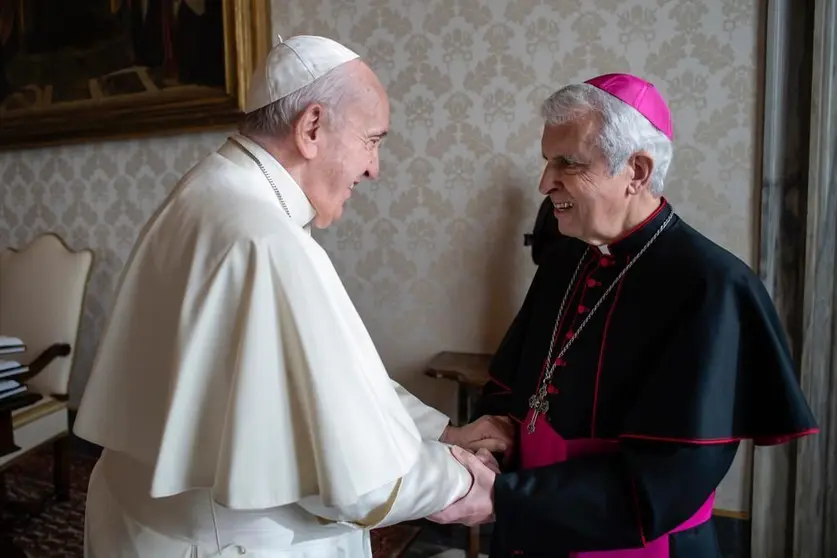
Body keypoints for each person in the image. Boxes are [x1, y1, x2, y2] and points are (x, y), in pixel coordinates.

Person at [73, 35, 505, 558]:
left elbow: (330, 382)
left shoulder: (212, 192)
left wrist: (443, 433)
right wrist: (459, 484)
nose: (374, 168)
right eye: (372, 140)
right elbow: (356, 480)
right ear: (312, 127)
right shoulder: (264, 239)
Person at [428, 73, 819, 557]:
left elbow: (667, 481)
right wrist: (502, 428)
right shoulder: (566, 259)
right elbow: (520, 380)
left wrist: (505, 497)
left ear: (636, 170)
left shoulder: (712, 287)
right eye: (548, 161)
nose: (544, 182)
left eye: (567, 163)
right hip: (531, 530)